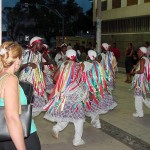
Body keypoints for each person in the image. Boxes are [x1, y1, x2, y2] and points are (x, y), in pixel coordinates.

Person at [44, 49, 89, 146]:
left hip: (64, 95)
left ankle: (56, 128)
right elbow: (83, 79)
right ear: (75, 56)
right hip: (76, 96)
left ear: (67, 56)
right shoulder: (79, 65)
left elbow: (55, 79)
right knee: (79, 119)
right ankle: (77, 140)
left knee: (67, 115)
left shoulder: (63, 65)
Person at [0, 41, 41, 150]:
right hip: (18, 135)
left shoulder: (2, 76)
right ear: (17, 59)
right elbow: (12, 118)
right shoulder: (10, 79)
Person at [83, 50, 117, 128]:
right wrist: (104, 88)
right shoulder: (98, 65)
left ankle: (96, 122)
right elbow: (103, 78)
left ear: (88, 56)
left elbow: (84, 78)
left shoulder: (85, 64)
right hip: (98, 89)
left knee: (92, 106)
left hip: (90, 89)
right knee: (94, 106)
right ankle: (96, 123)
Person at [19, 36, 49, 117]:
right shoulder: (27, 53)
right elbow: (19, 66)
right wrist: (28, 64)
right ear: (35, 44)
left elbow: (40, 64)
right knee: (27, 96)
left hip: (37, 79)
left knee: (38, 96)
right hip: (27, 78)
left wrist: (41, 66)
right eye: (40, 44)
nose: (41, 45)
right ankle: (25, 115)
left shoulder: (39, 54)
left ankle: (29, 116)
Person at [130, 47, 150, 117]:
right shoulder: (146, 59)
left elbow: (141, 71)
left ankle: (139, 113)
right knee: (143, 97)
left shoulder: (142, 60)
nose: (137, 53)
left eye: (138, 51)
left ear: (142, 52)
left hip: (140, 81)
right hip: (144, 81)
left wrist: (134, 72)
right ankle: (139, 112)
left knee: (138, 97)